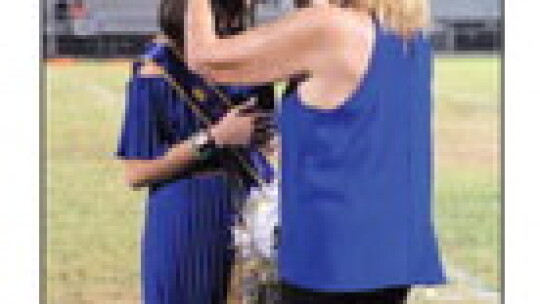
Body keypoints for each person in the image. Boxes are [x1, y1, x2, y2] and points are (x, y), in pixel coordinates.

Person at [184, 0, 446, 303]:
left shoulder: (329, 28)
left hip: (332, 263)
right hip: (392, 257)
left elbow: (205, 58)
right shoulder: (408, 34)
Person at [115, 0, 275, 303]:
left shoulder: (253, 61)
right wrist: (214, 138)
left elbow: (270, 138)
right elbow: (136, 172)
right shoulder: (156, 71)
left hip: (250, 209)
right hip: (186, 220)